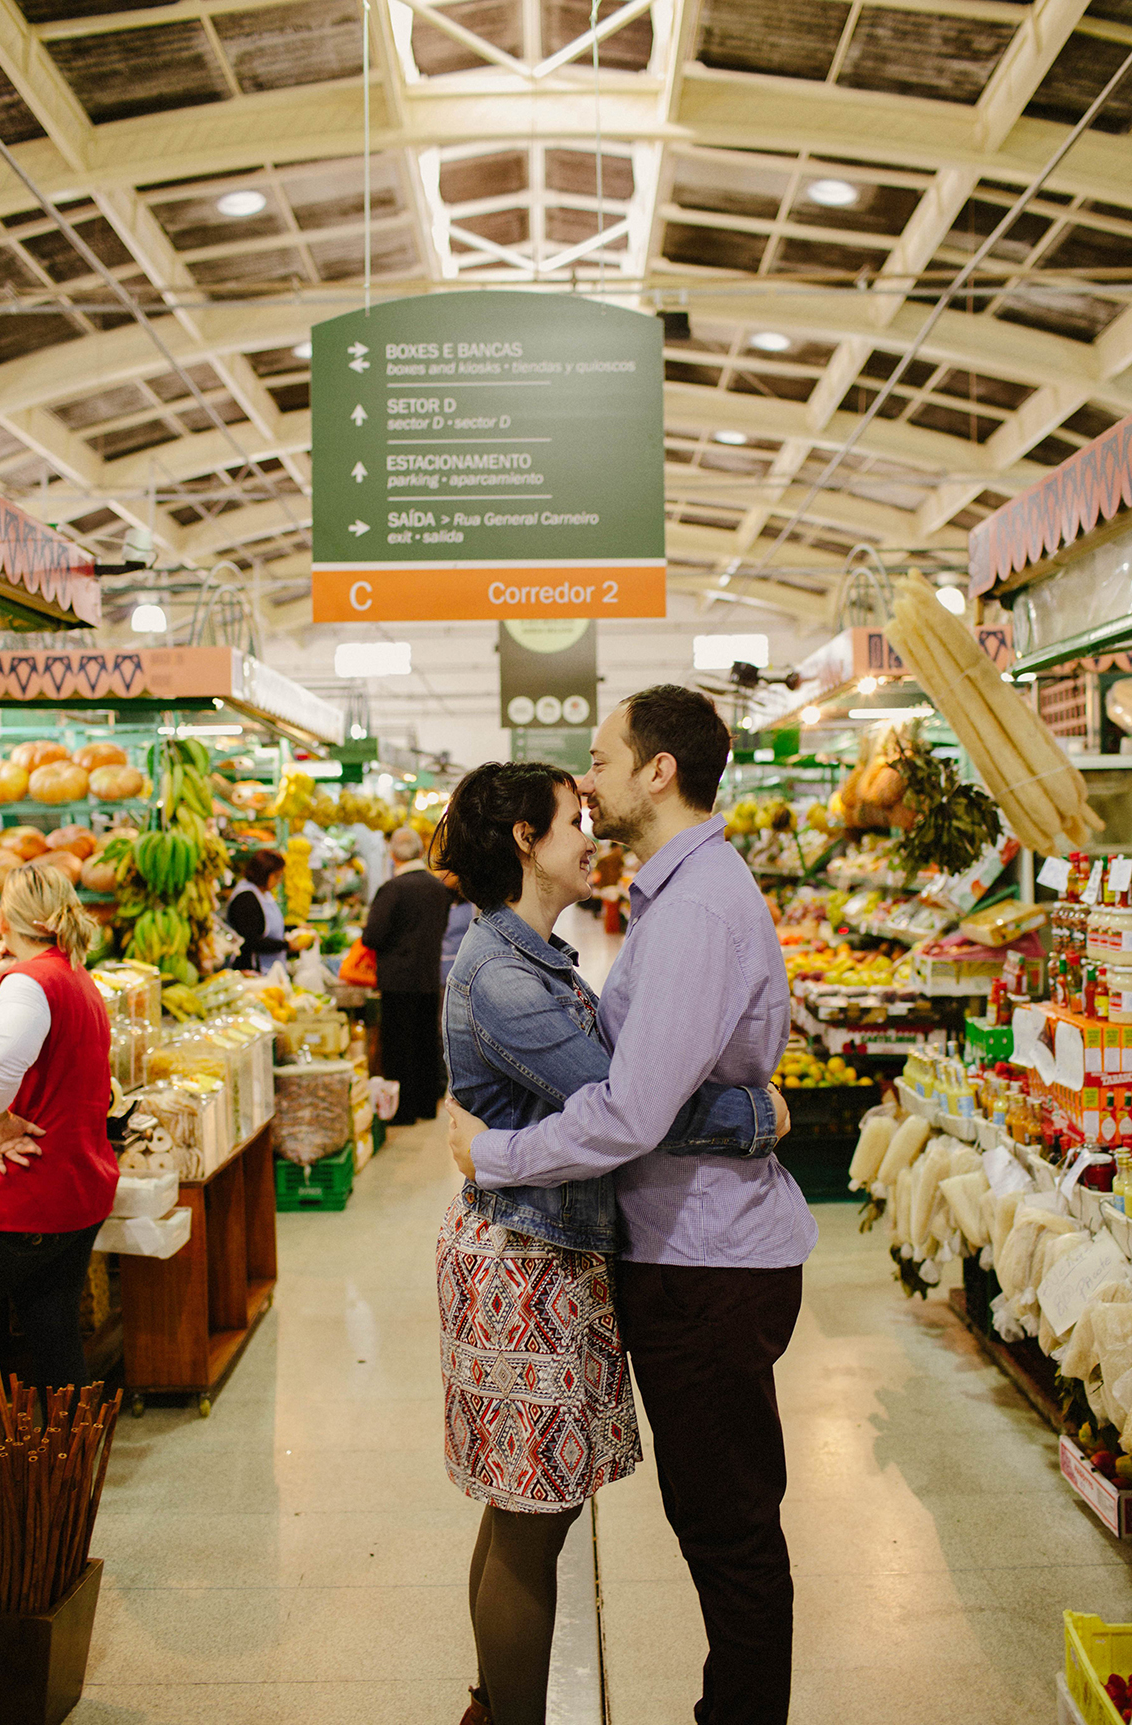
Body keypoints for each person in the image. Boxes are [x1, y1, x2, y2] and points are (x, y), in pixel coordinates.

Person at [447, 687, 818, 1725]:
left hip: (707, 1260)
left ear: (658, 771)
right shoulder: (667, 901)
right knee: (706, 1515)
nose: (592, 783)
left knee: (728, 1527)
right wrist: (753, 1114)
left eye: (603, 763)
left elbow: (629, 1112)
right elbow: (639, 1094)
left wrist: (496, 1156)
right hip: (685, 1249)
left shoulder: (695, 907)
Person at [0, 864, 119, 1416]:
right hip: (74, 1190)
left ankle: (10, 1462)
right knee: (51, 1327)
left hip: (24, 1199)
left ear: (3, 918)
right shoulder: (73, 977)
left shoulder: (30, 984)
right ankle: (64, 1467)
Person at [363, 827, 451, 1126]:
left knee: (399, 1046)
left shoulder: (393, 889)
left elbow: (372, 936)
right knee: (426, 1043)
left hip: (397, 979)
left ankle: (403, 1112)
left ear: (392, 854)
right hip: (428, 975)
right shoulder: (438, 888)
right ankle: (427, 1105)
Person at [225, 849, 311, 973]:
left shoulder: (264, 893)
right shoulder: (246, 899)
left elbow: (266, 926)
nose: (278, 881)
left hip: (268, 968)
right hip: (251, 970)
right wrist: (287, 945)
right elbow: (252, 940)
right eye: (276, 876)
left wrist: (295, 927)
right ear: (264, 874)